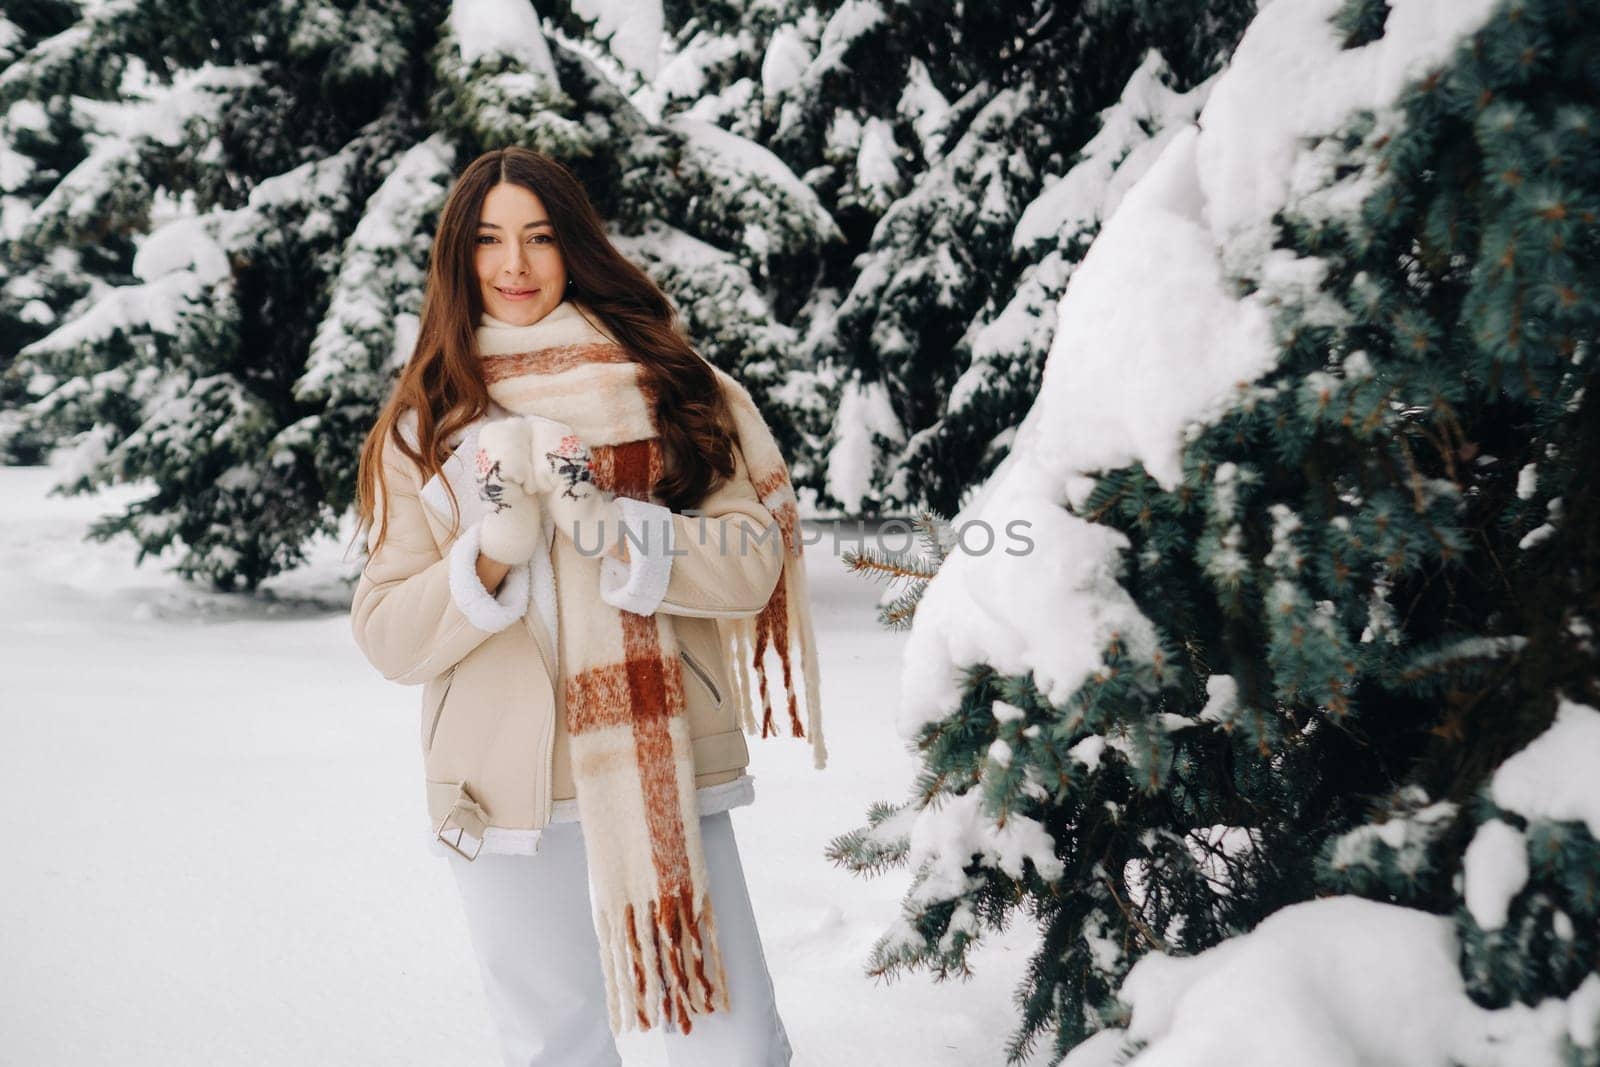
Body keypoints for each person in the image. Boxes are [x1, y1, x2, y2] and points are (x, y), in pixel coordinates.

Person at [347, 146, 827, 1067]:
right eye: (488, 241)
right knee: (554, 1048)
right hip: (501, 789)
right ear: (460, 259)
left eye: (539, 237)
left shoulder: (670, 387)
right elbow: (387, 635)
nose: (515, 266)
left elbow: (749, 565)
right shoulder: (428, 421)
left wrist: (618, 528)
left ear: (576, 247)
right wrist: (488, 554)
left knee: (731, 1043)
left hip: (664, 765)